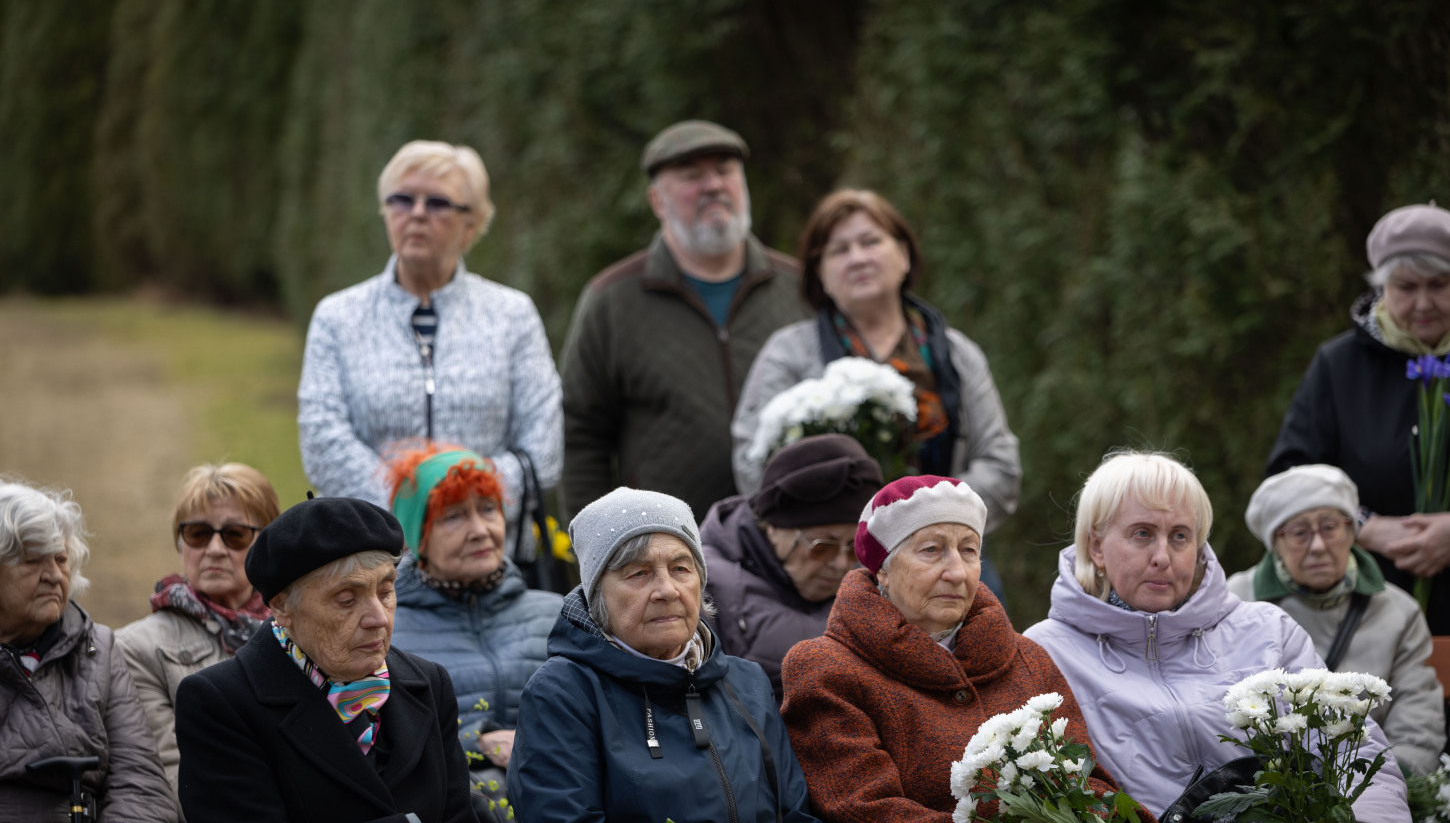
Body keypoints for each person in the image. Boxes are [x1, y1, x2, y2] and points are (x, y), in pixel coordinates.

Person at [1024, 452, 1419, 823]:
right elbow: (1063, 794)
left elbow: (1350, 737)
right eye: (1141, 534)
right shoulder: (1046, 651)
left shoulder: (1264, 627)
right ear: (1096, 545)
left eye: (1180, 536)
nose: (1164, 556)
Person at [175, 496, 584, 823]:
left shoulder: (425, 683)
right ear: (280, 606)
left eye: (386, 591)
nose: (377, 617)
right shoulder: (222, 701)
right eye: (347, 599)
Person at [781, 475, 1158, 823]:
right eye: (931, 550)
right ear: (882, 569)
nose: (956, 571)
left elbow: (1085, 775)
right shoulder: (826, 667)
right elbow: (864, 817)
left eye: (969, 550)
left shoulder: (1024, 657)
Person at [507, 487, 856, 823]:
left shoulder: (746, 682)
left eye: (681, 568)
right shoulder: (564, 691)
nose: (667, 589)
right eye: (638, 573)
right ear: (596, 592)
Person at [1226, 463, 1447, 823]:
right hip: (1276, 802)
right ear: (1274, 542)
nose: (1319, 544)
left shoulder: (1396, 611)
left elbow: (1418, 718)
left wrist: (1376, 801)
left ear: (1352, 530)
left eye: (1332, 526)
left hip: (1373, 789)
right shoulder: (1237, 603)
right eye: (1299, 531)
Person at [298, 140, 562, 542]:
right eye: (402, 199)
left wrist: (462, 510)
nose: (417, 213)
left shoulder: (513, 315)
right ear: (385, 211)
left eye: (438, 203)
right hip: (372, 559)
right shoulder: (337, 316)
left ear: (471, 224)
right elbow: (322, 439)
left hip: (491, 557)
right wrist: (410, 508)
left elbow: (542, 448)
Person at [730, 190, 1021, 539]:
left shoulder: (957, 354)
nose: (857, 258)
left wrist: (928, 518)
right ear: (820, 274)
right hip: (832, 559)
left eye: (870, 242)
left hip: (947, 547)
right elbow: (752, 458)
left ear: (904, 255)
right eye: (839, 250)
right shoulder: (789, 352)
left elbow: (1000, 463)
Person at [1267, 202, 1450, 635]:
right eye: (1405, 287)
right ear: (1381, 287)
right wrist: (1368, 529)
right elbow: (1289, 477)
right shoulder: (1340, 366)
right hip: (1367, 608)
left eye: (1439, 285)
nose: (1422, 303)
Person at [561, 120, 809, 522]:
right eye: (692, 176)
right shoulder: (612, 300)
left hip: (791, 542)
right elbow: (580, 439)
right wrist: (597, 554)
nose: (713, 185)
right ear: (658, 201)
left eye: (725, 171)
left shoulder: (798, 287)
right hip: (665, 555)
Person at [0, 479, 175, 823]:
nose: (54, 575)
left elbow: (140, 781)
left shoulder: (100, 648)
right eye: (31, 561)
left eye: (61, 559)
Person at [386, 444, 563, 823]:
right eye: (453, 517)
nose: (480, 530)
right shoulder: (387, 632)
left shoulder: (559, 613)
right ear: (417, 539)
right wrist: (476, 742)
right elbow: (384, 747)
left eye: (487, 509)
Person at [118, 463, 281, 801]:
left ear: (267, 545)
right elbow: (168, 778)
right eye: (198, 533)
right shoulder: (136, 648)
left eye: (235, 534)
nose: (215, 549)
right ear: (181, 543)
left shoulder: (300, 633)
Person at [701, 433, 881, 699]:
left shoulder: (873, 580)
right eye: (822, 546)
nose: (842, 564)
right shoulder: (703, 583)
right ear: (773, 527)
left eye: (852, 547)